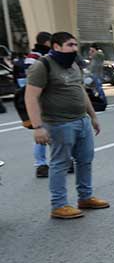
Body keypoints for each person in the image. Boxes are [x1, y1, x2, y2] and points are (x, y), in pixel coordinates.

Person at [25, 32, 109, 219]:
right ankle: (59, 205)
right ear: (56, 46)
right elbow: (30, 97)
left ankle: (85, 197)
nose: (75, 48)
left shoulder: (73, 64)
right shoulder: (43, 66)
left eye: (75, 45)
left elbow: (81, 91)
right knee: (60, 164)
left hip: (81, 120)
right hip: (59, 123)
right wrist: (38, 127)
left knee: (85, 160)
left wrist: (92, 116)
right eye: (70, 45)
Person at [23, 31, 55, 178]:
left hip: (48, 97)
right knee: (42, 131)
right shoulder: (35, 57)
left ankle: (54, 162)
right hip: (41, 98)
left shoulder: (43, 55)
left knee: (52, 130)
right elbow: (31, 78)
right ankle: (41, 164)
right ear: (47, 42)